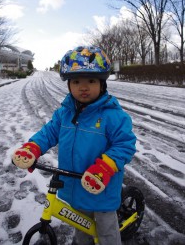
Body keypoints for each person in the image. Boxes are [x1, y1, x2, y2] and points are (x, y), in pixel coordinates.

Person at [12, 45, 136, 245]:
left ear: (102, 83)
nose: (83, 87)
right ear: (69, 84)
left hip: (101, 188)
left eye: (91, 81)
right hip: (76, 184)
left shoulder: (113, 116)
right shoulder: (65, 113)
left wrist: (104, 167)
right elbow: (49, 132)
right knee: (81, 228)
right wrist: (33, 147)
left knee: (106, 232)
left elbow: (125, 144)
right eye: (76, 81)